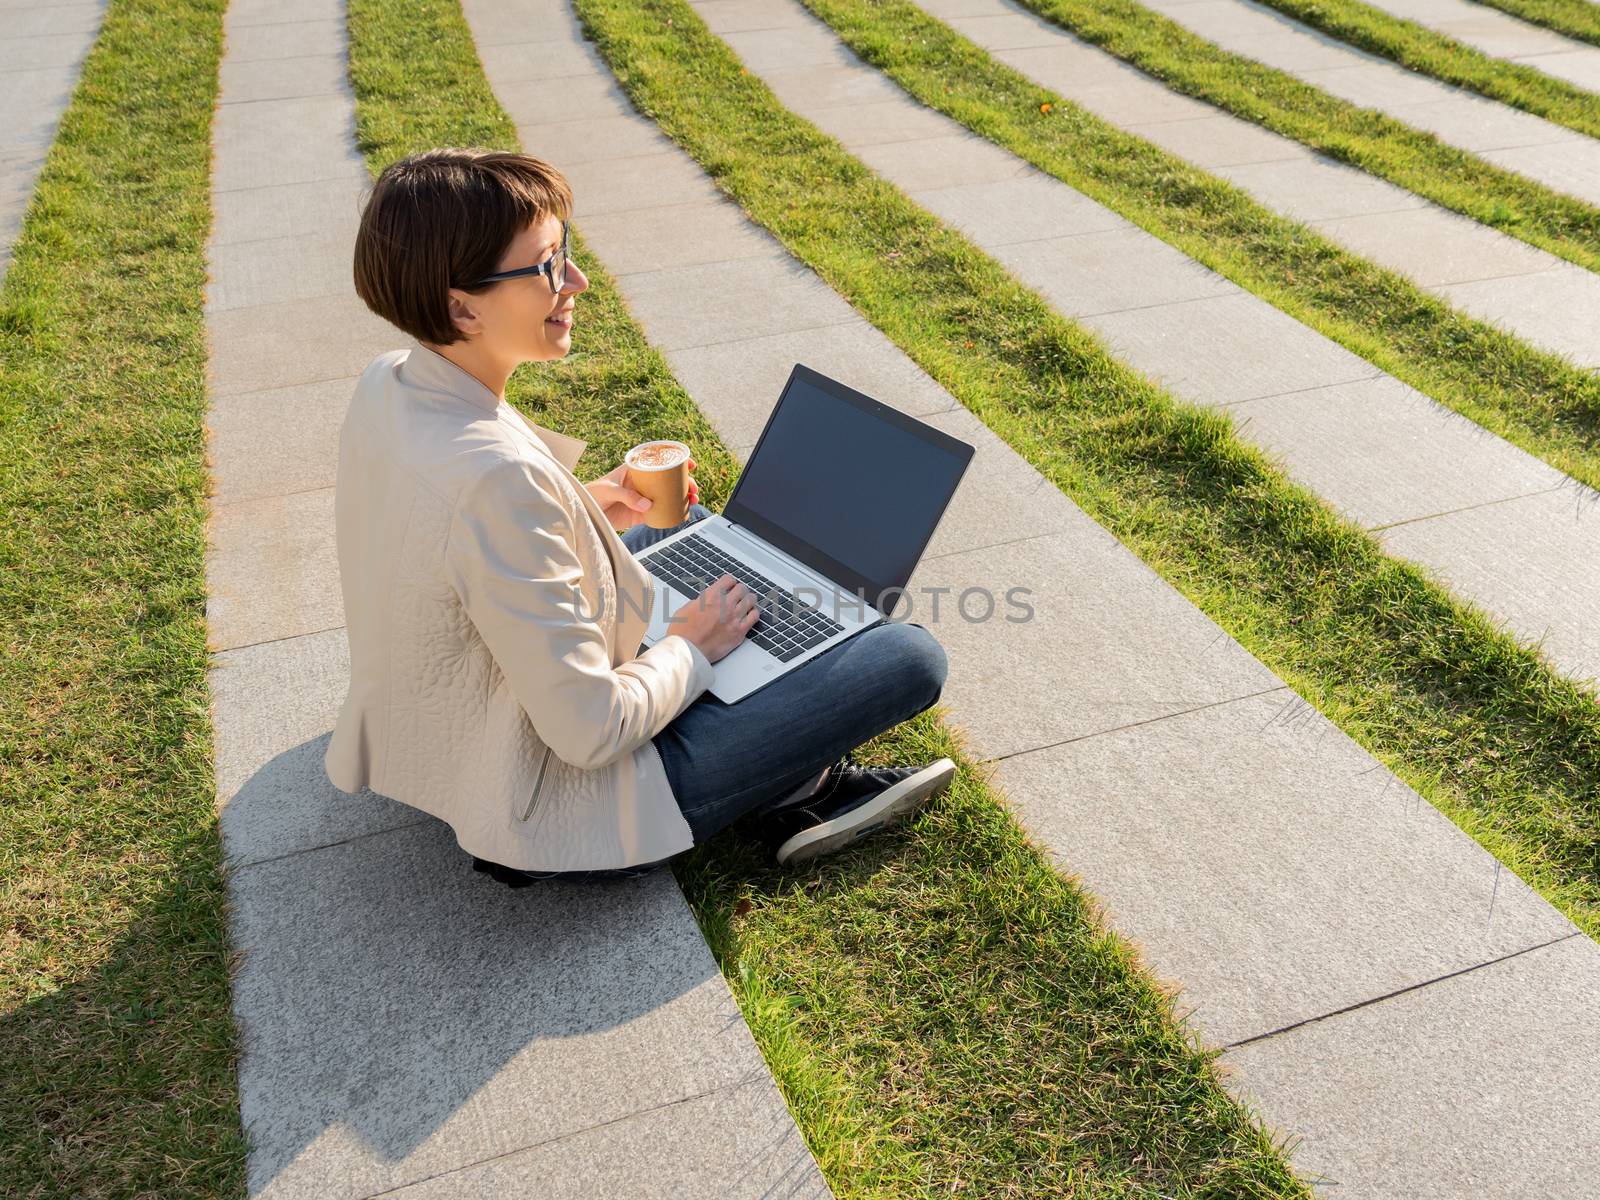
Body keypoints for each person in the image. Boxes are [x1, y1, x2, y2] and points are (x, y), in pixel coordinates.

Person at [326, 147, 953, 886]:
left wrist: (587, 505)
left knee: (676, 528)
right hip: (553, 801)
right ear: (463, 305)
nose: (578, 283)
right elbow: (589, 734)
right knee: (907, 657)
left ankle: (784, 760)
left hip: (442, 720)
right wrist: (690, 647)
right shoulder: (497, 481)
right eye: (548, 266)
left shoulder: (391, 382)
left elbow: (444, 541)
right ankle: (801, 789)